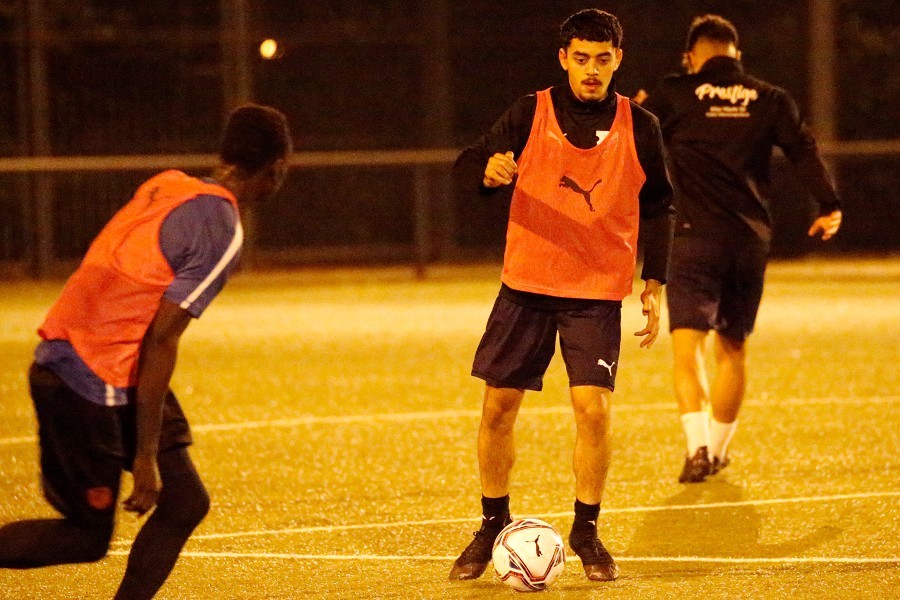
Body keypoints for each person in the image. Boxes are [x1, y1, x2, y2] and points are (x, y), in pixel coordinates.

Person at [0, 104, 291, 598]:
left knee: (185, 502)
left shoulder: (168, 183)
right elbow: (162, 339)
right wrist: (146, 458)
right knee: (86, 537)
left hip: (101, 360)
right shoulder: (223, 225)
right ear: (277, 169)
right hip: (86, 377)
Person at [448, 9, 674, 583]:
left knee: (592, 409)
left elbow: (662, 205)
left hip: (595, 292)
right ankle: (491, 524)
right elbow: (468, 164)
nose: (592, 70)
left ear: (618, 59)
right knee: (499, 406)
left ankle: (587, 532)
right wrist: (488, 171)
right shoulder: (530, 111)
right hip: (526, 285)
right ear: (564, 59)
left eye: (602, 59)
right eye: (581, 58)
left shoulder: (639, 125)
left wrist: (655, 281)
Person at [639, 15, 842, 483]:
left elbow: (629, 131)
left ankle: (697, 450)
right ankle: (720, 450)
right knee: (734, 348)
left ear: (693, 56)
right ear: (737, 55)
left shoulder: (675, 92)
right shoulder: (770, 99)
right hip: (749, 239)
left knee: (687, 348)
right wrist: (829, 203)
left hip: (692, 236)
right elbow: (805, 152)